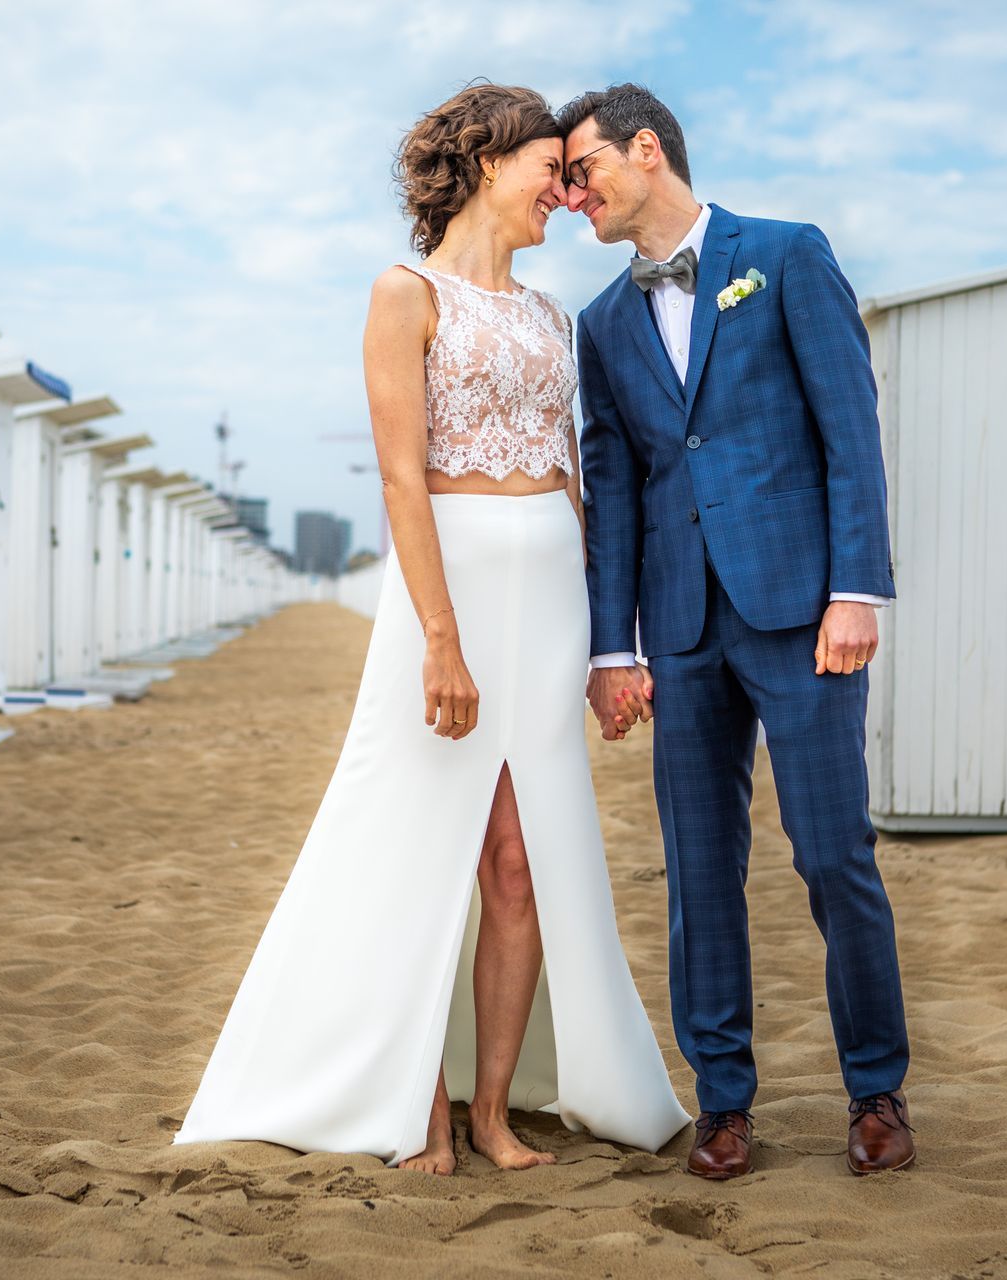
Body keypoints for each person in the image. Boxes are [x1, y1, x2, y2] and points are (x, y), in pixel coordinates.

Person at [174, 83, 689, 1175]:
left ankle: (492, 1106)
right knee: (420, 846)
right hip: (446, 601)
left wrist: (612, 645)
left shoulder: (553, 316)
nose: (563, 187)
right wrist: (440, 638)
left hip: (549, 606)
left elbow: (583, 486)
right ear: (486, 162)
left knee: (520, 860)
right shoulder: (403, 293)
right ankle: (417, 1103)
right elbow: (404, 480)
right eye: (548, 166)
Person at [560, 83, 916, 1179]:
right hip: (678, 630)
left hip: (802, 611)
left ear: (647, 149)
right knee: (696, 867)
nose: (573, 194)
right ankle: (725, 1100)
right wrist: (613, 648)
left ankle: (876, 1089)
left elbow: (849, 430)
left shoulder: (788, 254)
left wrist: (857, 587)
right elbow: (614, 489)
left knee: (833, 852)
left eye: (584, 171)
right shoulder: (602, 323)